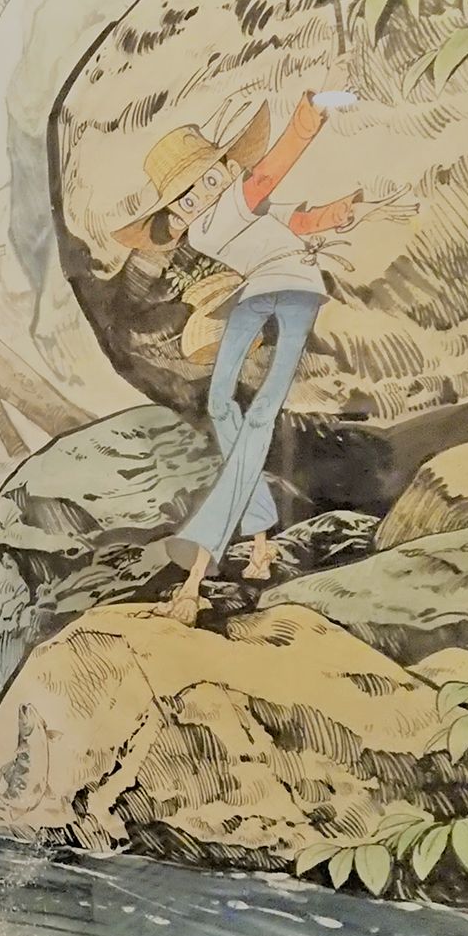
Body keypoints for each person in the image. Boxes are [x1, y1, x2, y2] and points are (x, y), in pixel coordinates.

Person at [112, 91, 416, 624]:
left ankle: (197, 570)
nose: (202, 195)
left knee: (258, 415)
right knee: (220, 402)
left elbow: (290, 203)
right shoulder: (220, 217)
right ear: (174, 219)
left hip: (295, 293)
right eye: (185, 198)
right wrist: (309, 133)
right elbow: (281, 193)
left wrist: (337, 195)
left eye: (210, 178)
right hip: (254, 293)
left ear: (228, 169)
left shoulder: (239, 202)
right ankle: (259, 540)